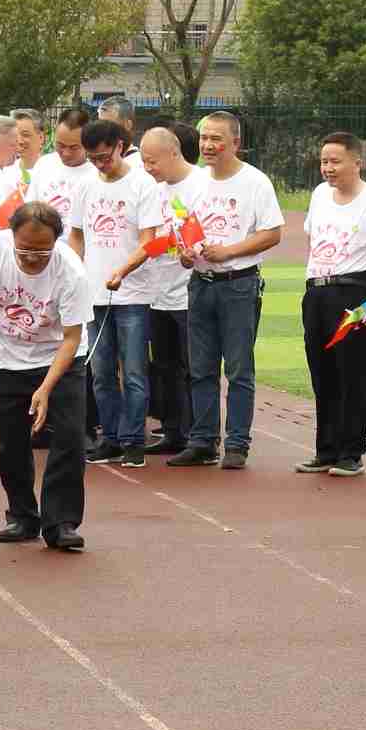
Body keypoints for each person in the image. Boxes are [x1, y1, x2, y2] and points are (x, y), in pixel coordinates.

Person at [0, 202, 93, 551]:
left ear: (56, 242)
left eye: (42, 251)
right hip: (8, 359)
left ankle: (61, 522)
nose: (32, 257)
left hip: (61, 359)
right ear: (11, 235)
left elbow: (72, 338)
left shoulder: (71, 272)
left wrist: (46, 387)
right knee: (13, 439)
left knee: (68, 437)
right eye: (24, 249)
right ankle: (21, 515)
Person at [168, 112, 282, 470]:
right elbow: (183, 230)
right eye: (204, 139)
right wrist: (185, 254)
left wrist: (229, 251)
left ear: (235, 142)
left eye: (217, 139)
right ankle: (202, 440)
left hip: (238, 285)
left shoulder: (255, 182)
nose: (208, 146)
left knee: (238, 368)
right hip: (200, 284)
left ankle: (237, 443)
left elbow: (272, 233)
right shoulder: (195, 182)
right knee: (199, 367)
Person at [297, 132, 366, 477]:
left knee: (350, 373)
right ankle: (325, 449)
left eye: (335, 161)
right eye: (324, 161)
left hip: (352, 293)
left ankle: (351, 452)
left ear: (357, 162)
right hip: (317, 292)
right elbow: (313, 237)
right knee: (321, 371)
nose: (328, 168)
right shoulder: (320, 195)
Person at [72, 118, 157, 466]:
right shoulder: (86, 186)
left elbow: (149, 241)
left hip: (132, 294)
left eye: (105, 157)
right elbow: (76, 235)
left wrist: (122, 270)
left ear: (121, 146)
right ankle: (110, 436)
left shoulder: (143, 185)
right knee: (101, 370)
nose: (100, 164)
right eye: (93, 159)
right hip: (94, 294)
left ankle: (134, 439)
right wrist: (77, 269)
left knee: (134, 370)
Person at [135, 122, 199, 453]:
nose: (147, 168)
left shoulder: (201, 185)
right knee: (164, 366)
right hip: (157, 292)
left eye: (152, 161)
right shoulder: (153, 190)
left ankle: (199, 435)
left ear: (173, 153)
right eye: (143, 161)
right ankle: (173, 431)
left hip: (191, 292)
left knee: (193, 367)